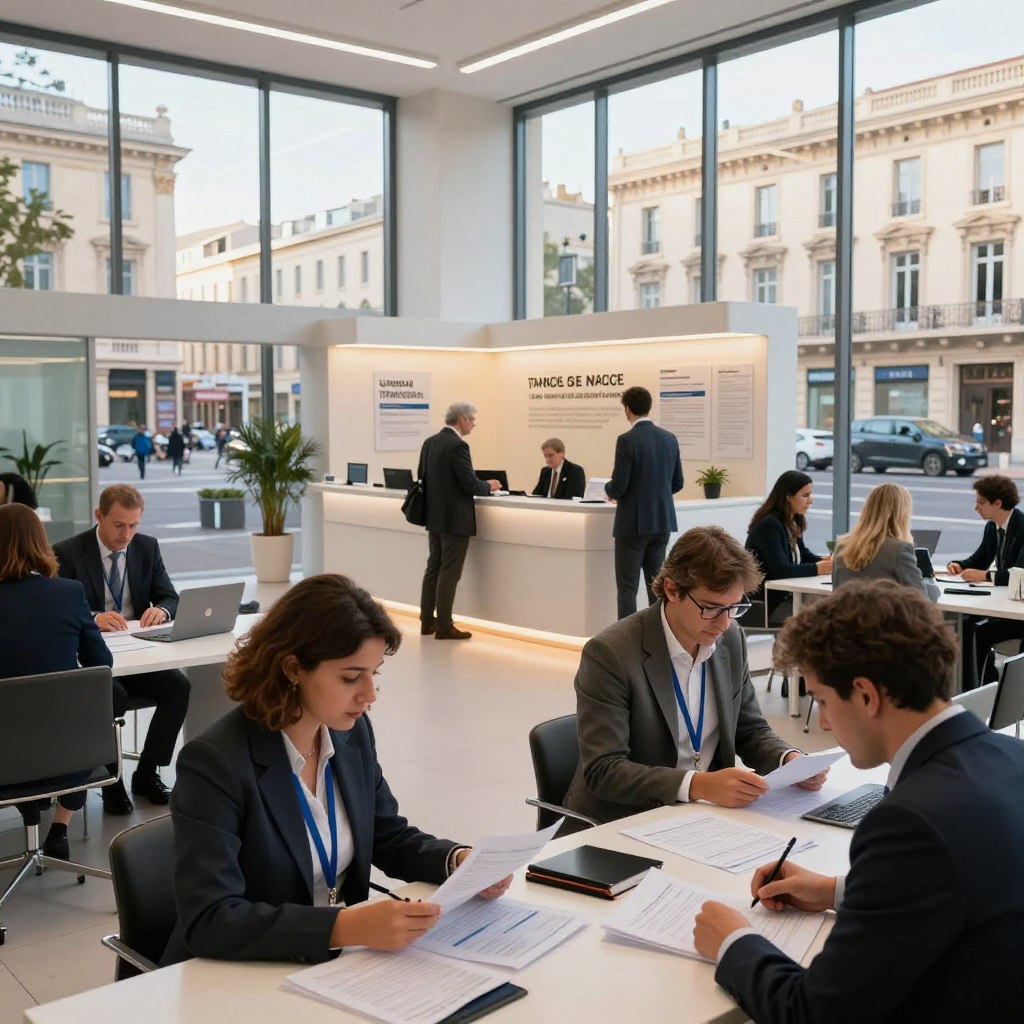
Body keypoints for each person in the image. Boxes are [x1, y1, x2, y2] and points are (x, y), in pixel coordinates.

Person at [693, 579, 1024, 1023]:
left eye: (824, 701)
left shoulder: (910, 822)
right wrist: (837, 891)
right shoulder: (1009, 757)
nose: (825, 723)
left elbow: (814, 1013)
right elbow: (966, 883)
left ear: (866, 695)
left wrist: (733, 941)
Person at [163, 574, 511, 964]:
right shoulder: (215, 762)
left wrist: (458, 862)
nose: (369, 694)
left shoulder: (350, 732)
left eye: (373, 673)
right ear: (293, 668)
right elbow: (211, 920)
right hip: (244, 971)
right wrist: (345, 926)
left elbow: (386, 834)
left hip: (334, 963)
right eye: (350, 677)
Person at [564, 526, 826, 823]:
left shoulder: (730, 640)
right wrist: (698, 785)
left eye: (734, 607)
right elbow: (604, 770)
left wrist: (787, 761)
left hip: (701, 817)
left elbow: (750, 730)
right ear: (671, 590)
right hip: (623, 821)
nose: (725, 623)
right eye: (712, 608)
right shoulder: (611, 654)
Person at [53, 484, 188, 813]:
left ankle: (147, 772)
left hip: (137, 653)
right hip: (92, 658)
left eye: (133, 525)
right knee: (113, 695)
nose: (126, 534)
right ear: (99, 516)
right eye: (118, 525)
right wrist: (94, 617)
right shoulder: (68, 552)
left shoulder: (147, 547)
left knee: (178, 687)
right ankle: (111, 782)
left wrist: (164, 611)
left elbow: (169, 595)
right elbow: (58, 609)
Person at [0, 504, 114, 861]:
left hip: (6, 756)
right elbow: (102, 665)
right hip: (70, 755)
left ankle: (36, 815)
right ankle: (60, 827)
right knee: (78, 713)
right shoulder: (68, 593)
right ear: (40, 542)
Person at [417, 401, 499, 641]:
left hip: (434, 517)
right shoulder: (458, 446)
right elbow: (470, 484)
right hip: (455, 520)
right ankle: (444, 625)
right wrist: (490, 485)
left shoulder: (429, 443)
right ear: (462, 419)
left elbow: (423, 477)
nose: (474, 424)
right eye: (472, 420)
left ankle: (426, 621)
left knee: (433, 568)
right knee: (449, 573)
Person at [606, 385, 685, 620]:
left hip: (632, 525)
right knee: (658, 588)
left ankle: (626, 642)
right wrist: (656, 493)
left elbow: (619, 487)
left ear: (627, 409)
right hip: (661, 522)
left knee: (627, 588)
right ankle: (659, 636)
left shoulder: (627, 440)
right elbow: (678, 482)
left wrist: (607, 489)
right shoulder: (669, 439)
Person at [946, 474, 1024, 687]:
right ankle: (976, 684)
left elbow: (1019, 574)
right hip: (1005, 606)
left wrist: (986, 576)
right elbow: (980, 559)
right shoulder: (992, 527)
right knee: (965, 625)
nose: (976, 508)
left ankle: (983, 687)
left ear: (997, 503)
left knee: (978, 633)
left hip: (1019, 614)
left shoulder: (1022, 526)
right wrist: (960, 565)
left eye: (980, 502)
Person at [745, 470, 831, 626]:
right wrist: (819, 568)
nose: (810, 501)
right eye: (805, 495)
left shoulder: (791, 521)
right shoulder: (769, 525)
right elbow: (781, 570)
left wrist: (827, 562)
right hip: (768, 602)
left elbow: (804, 556)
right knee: (823, 610)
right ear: (788, 497)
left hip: (784, 596)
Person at [832, 483, 939, 601]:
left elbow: (836, 593)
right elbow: (922, 599)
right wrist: (930, 583)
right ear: (901, 515)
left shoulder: (843, 545)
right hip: (886, 619)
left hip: (846, 617)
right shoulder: (900, 550)